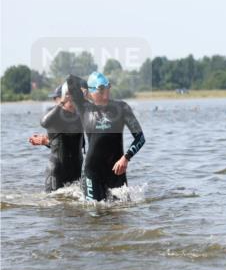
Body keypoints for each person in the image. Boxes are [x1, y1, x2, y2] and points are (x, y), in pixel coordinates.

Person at [65, 72, 145, 202]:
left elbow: (140, 137)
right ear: (90, 92)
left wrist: (126, 158)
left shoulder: (121, 108)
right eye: (101, 89)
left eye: (108, 87)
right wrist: (86, 86)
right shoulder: (84, 107)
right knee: (94, 214)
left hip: (116, 171)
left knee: (121, 214)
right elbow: (70, 79)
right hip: (92, 172)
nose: (106, 92)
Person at [29, 84, 85, 192]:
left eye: (56, 98)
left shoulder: (78, 116)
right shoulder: (54, 114)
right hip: (57, 171)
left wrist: (46, 141)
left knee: (74, 207)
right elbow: (44, 122)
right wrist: (47, 141)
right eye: (55, 99)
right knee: (55, 205)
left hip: (75, 169)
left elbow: (79, 144)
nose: (55, 101)